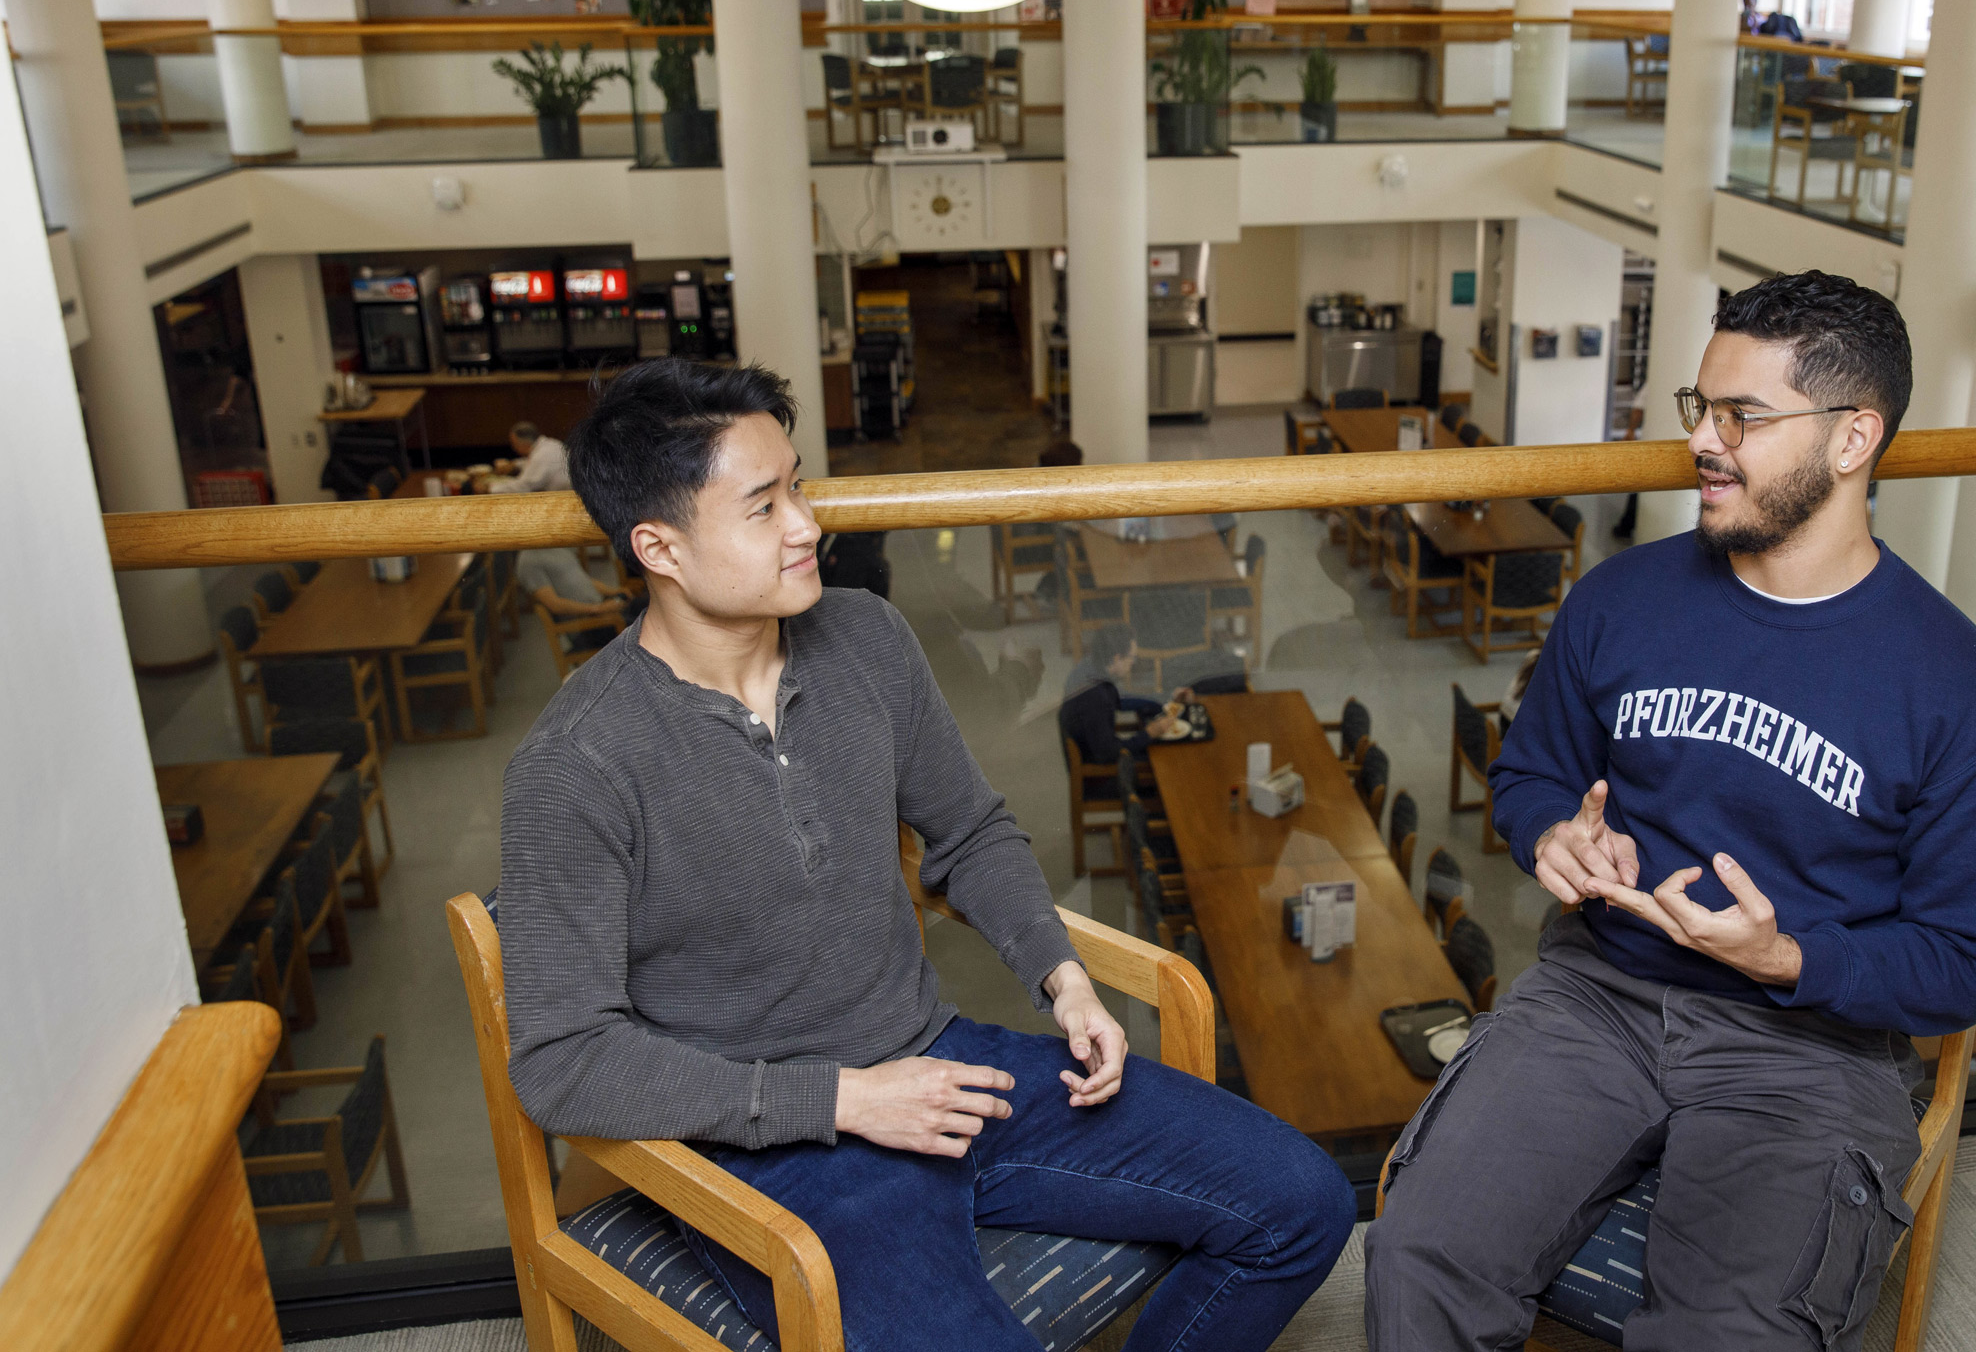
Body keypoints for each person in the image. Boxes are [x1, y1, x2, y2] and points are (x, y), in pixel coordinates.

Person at [499, 358, 1351, 1351]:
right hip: (775, 1146)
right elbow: (562, 1062)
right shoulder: (576, 761)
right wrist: (845, 1099)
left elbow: (971, 830)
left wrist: (1064, 978)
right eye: (764, 506)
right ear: (661, 547)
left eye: (800, 486)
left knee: (1304, 1201)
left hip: (944, 1062)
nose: (808, 524)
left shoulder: (866, 639)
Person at [1366, 271, 1976, 1352]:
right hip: (1597, 993)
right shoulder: (1620, 598)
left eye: (1745, 416)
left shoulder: (1965, 695)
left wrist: (1790, 959)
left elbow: (1966, 964)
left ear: (1854, 435)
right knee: (1418, 1256)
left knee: (1726, 1335)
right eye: (1701, 406)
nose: (1704, 441)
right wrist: (1553, 831)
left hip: (1811, 1048)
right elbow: (1531, 772)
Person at [1060, 623, 1195, 774]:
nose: (1133, 663)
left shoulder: (1090, 669)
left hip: (1097, 752)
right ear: (1117, 658)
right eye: (1132, 657)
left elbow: (1123, 698)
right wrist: (1149, 733)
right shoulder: (1095, 696)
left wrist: (1170, 696)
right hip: (1101, 773)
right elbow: (1108, 753)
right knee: (1172, 760)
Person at [516, 546, 632, 654]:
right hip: (587, 628)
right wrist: (598, 609)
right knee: (643, 623)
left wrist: (614, 591)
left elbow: (584, 580)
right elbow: (554, 604)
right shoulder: (528, 561)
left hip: (603, 612)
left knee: (644, 606)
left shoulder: (556, 546)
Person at [490, 421, 570, 492]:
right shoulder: (550, 443)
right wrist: (515, 465)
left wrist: (490, 488)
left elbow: (524, 486)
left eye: (514, 443)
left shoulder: (541, 455)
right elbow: (534, 463)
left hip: (564, 496)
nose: (514, 448)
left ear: (522, 442)